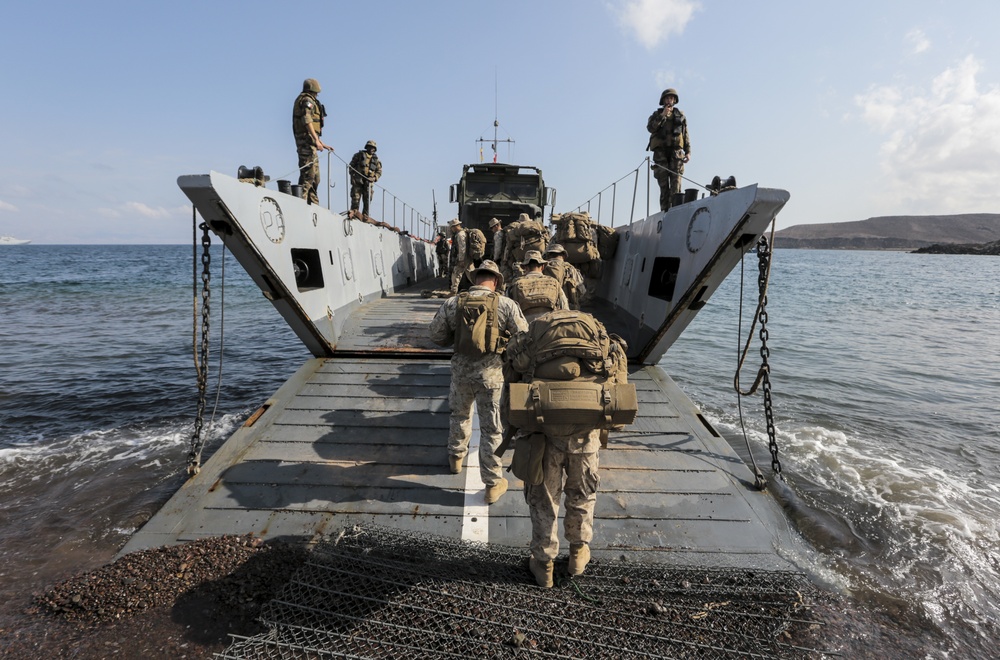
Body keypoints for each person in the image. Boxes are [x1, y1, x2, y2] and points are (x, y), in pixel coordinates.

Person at [429, 260, 528, 504]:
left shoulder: (453, 302)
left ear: (475, 279)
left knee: (459, 416)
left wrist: (458, 336)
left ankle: (455, 459)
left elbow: (436, 335)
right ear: (495, 281)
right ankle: (493, 484)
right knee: (491, 428)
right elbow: (524, 337)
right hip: (491, 376)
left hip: (461, 374)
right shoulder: (506, 304)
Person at [646, 88, 690, 212]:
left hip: (676, 154)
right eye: (667, 98)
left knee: (676, 187)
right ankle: (665, 213)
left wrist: (688, 152)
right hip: (661, 155)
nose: (669, 100)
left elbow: (685, 134)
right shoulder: (656, 115)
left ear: (674, 100)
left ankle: (676, 213)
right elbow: (650, 128)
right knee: (664, 187)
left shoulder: (680, 116)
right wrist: (662, 116)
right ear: (663, 101)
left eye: (671, 98)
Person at [292, 78, 333, 205]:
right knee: (308, 176)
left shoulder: (309, 100)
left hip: (311, 143)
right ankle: (299, 203)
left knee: (315, 178)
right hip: (306, 143)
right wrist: (316, 140)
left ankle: (313, 204)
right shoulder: (307, 100)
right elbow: (307, 120)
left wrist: (320, 142)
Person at [507, 250, 568, 322]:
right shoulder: (553, 282)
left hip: (526, 327)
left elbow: (508, 310)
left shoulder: (516, 284)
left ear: (525, 267)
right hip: (548, 325)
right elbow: (564, 308)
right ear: (542, 267)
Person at [543, 244, 586, 310]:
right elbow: (582, 291)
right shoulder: (570, 268)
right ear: (563, 255)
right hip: (568, 309)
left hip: (547, 308)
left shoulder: (542, 268)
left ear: (548, 255)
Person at [349, 140, 382, 218]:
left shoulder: (376, 160)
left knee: (367, 200)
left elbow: (379, 171)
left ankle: (365, 216)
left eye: (373, 148)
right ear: (367, 147)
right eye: (370, 147)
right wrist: (353, 176)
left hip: (369, 183)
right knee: (355, 199)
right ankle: (354, 214)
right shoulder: (358, 155)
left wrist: (374, 178)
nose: (372, 149)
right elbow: (351, 166)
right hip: (358, 181)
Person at [447, 218, 468, 295]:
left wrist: (461, 260)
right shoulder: (460, 234)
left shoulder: (460, 235)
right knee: (470, 274)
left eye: (452, 227)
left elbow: (462, 248)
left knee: (456, 274)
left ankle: (453, 291)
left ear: (455, 226)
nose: (451, 229)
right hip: (466, 259)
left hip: (462, 259)